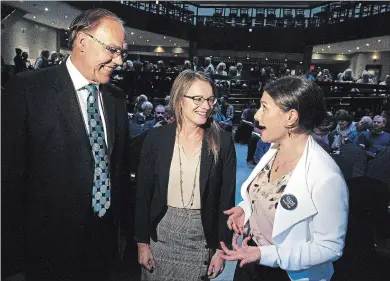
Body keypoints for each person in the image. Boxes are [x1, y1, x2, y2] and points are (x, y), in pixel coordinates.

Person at [2, 8, 130, 281]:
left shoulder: (117, 99)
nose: (119, 61)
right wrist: (11, 263)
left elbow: (117, 168)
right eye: (112, 49)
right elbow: (8, 180)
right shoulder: (28, 90)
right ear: (82, 41)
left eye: (122, 52)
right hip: (44, 253)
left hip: (102, 249)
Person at [219, 76, 349, 281]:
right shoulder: (273, 151)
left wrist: (265, 254)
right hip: (251, 259)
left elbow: (329, 247)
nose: (258, 117)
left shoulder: (326, 176)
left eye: (264, 107)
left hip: (288, 274)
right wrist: (247, 210)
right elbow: (270, 196)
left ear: (291, 117)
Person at [134, 70, 236, 281]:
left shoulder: (223, 142)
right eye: (198, 99)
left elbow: (226, 200)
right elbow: (143, 195)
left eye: (210, 99)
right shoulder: (156, 138)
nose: (206, 106)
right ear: (180, 99)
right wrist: (142, 243)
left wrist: (221, 250)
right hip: (160, 235)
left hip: (201, 239)